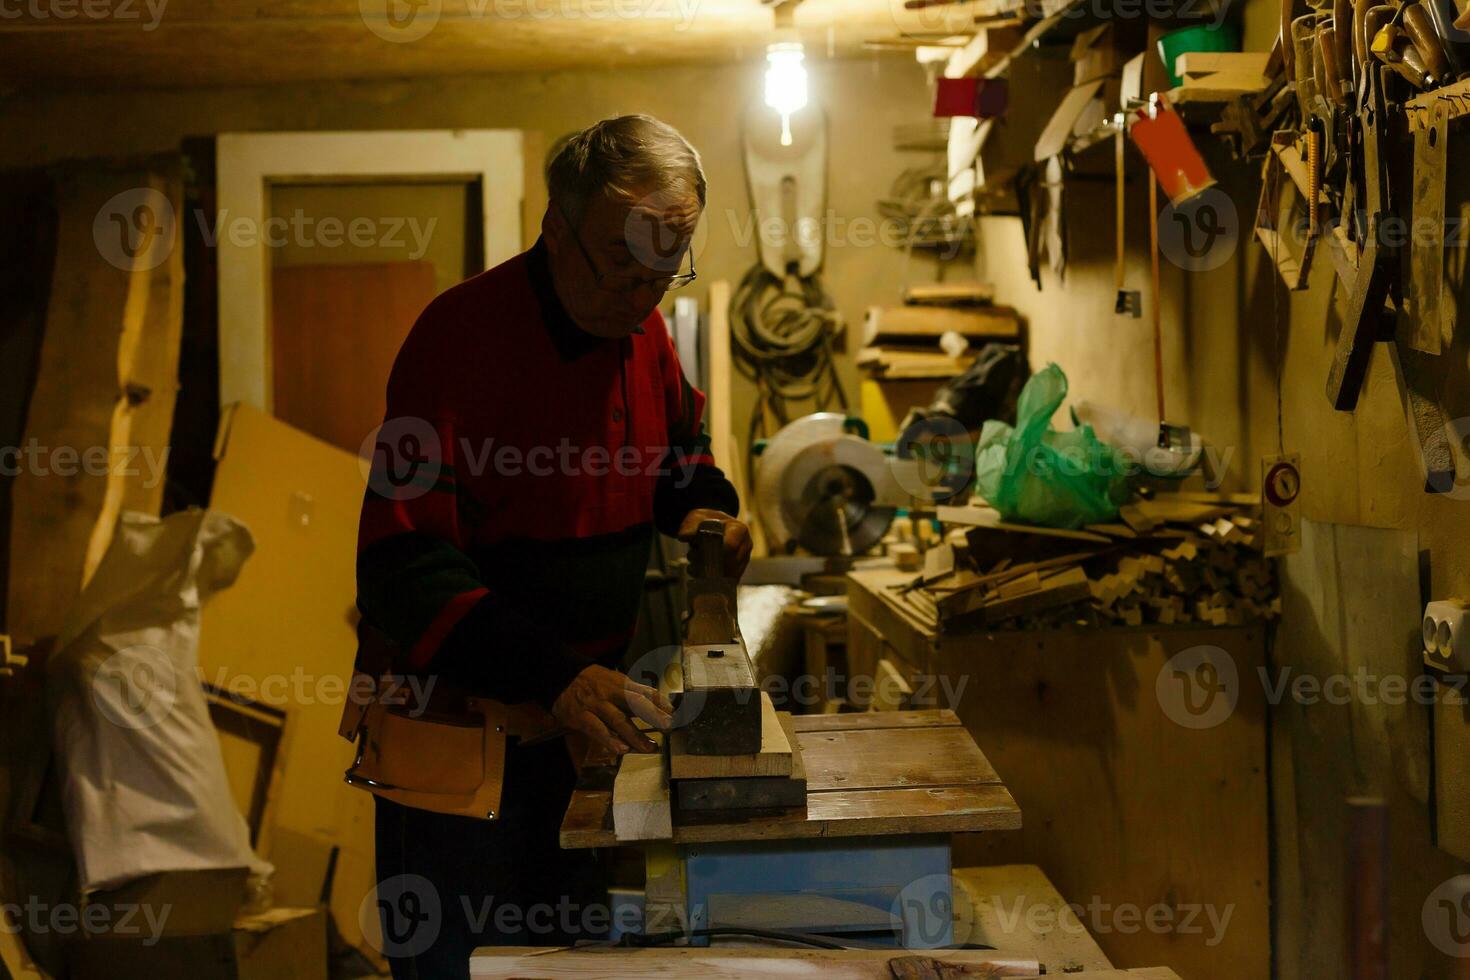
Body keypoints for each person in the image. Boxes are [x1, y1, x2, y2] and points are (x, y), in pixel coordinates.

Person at [355, 114, 751, 978]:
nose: (644, 294)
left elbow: (680, 452)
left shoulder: (640, 335)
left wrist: (709, 515)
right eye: (622, 264)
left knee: (568, 969)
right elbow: (402, 569)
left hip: (579, 742)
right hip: (459, 760)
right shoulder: (458, 340)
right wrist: (555, 677)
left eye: (665, 269)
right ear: (555, 225)